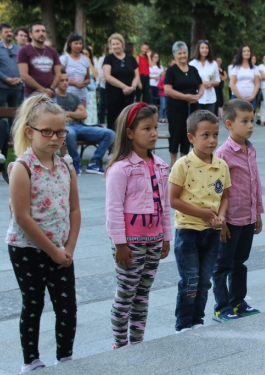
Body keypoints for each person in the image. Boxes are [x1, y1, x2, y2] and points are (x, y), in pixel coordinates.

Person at [6, 94, 80, 373]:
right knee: (33, 303)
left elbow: (74, 210)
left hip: (61, 249)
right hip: (28, 249)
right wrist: (53, 251)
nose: (55, 138)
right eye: (47, 131)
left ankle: (65, 356)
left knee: (67, 306)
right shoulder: (21, 168)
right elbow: (22, 218)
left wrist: (69, 248)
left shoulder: (66, 166)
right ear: (30, 131)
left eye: (61, 131)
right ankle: (31, 360)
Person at [105, 102, 172, 349]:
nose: (154, 133)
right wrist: (119, 244)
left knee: (143, 295)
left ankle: (138, 343)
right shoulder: (120, 169)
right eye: (147, 128)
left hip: (154, 240)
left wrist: (166, 237)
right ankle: (120, 344)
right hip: (130, 244)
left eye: (155, 127)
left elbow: (164, 203)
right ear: (130, 133)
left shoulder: (161, 165)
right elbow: (113, 209)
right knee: (126, 294)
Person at [168, 110, 231, 333]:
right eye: (205, 135)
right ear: (191, 137)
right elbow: (173, 200)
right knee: (190, 280)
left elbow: (224, 196)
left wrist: (221, 217)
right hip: (188, 231)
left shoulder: (221, 165)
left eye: (215, 134)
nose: (212, 140)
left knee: (205, 280)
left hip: (211, 232)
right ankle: (183, 323)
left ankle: (197, 320)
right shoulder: (183, 165)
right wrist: (202, 213)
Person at [212, 99, 264, 322]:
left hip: (248, 217)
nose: (251, 125)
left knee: (240, 262)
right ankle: (221, 306)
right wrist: (220, 221)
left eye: (252, 120)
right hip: (230, 219)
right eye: (245, 121)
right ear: (229, 124)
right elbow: (217, 191)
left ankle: (238, 302)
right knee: (223, 265)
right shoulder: (223, 154)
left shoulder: (250, 149)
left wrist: (258, 213)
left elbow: (256, 183)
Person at [56, 69, 115, 175]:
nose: (65, 83)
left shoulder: (73, 97)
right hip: (65, 127)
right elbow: (56, 117)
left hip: (80, 126)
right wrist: (74, 113)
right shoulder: (54, 99)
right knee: (70, 133)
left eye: (67, 80)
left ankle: (94, 162)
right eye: (62, 80)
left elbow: (83, 115)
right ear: (56, 81)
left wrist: (65, 113)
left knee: (110, 133)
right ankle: (75, 163)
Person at [164, 41, 204, 166]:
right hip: (176, 108)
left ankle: (185, 163)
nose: (182, 55)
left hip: (192, 108)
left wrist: (199, 94)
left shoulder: (193, 69)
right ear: (175, 55)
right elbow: (168, 89)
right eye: (179, 53)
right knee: (176, 134)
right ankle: (173, 164)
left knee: (189, 134)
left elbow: (200, 84)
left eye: (184, 52)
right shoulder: (171, 70)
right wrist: (184, 97)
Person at [103, 33, 139, 132]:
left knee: (128, 121)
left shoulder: (131, 59)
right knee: (114, 121)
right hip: (114, 95)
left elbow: (136, 75)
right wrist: (124, 87)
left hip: (129, 95)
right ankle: (113, 146)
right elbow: (107, 76)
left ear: (122, 44)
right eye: (113, 44)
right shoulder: (109, 58)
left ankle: (126, 146)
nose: (115, 46)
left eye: (117, 44)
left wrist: (132, 87)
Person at [17, 22, 62, 99]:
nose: (41, 33)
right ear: (30, 34)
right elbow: (24, 75)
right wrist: (42, 90)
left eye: (43, 31)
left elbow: (58, 74)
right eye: (37, 31)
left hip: (50, 95)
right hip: (32, 97)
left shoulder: (52, 51)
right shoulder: (24, 51)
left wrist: (51, 89)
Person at [189, 40, 220, 115]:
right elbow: (189, 80)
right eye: (202, 48)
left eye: (206, 48)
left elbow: (217, 81)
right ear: (198, 49)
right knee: (196, 121)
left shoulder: (213, 63)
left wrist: (211, 83)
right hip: (197, 97)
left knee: (209, 121)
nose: (204, 50)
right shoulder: (192, 64)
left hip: (210, 97)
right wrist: (200, 83)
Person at [59, 33, 90, 106]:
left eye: (80, 43)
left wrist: (84, 83)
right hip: (67, 94)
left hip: (81, 96)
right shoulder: (64, 59)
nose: (79, 46)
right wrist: (75, 83)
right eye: (76, 43)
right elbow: (58, 77)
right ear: (70, 44)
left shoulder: (85, 60)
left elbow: (88, 79)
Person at [0, 23, 23, 113]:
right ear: (1, 33)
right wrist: (6, 79)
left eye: (10, 31)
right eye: (6, 32)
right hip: (2, 88)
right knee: (1, 114)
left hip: (17, 87)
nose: (9, 33)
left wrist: (20, 79)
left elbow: (24, 66)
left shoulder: (19, 49)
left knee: (16, 115)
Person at [229, 45, 260, 109]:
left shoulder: (254, 68)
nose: (246, 53)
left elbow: (257, 83)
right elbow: (232, 83)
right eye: (244, 51)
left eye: (248, 51)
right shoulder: (236, 68)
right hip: (237, 98)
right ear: (241, 53)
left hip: (250, 99)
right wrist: (240, 97)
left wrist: (253, 96)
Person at [83, 46, 98, 125]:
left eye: (87, 54)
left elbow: (96, 74)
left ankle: (92, 123)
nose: (85, 56)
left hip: (91, 89)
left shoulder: (91, 62)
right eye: (83, 54)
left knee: (91, 107)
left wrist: (89, 63)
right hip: (82, 88)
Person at [97, 44, 109, 125]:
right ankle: (102, 122)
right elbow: (100, 73)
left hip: (114, 88)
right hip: (104, 85)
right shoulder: (102, 59)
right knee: (103, 104)